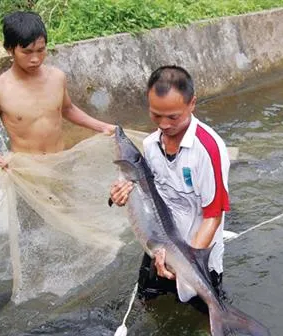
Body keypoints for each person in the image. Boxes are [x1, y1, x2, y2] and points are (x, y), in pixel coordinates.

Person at [110, 65, 230, 311]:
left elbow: (213, 216)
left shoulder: (208, 149)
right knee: (150, 306)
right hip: (161, 248)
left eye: (173, 117)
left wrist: (187, 264)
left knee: (205, 316)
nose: (164, 125)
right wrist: (119, 196)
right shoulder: (151, 145)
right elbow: (149, 197)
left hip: (196, 257)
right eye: (156, 115)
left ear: (192, 103)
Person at [0, 11, 115, 165]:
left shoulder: (57, 77)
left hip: (61, 162)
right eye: (27, 52)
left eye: (41, 50)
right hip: (27, 170)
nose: (35, 59)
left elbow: (68, 109)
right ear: (9, 49)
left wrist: (103, 126)